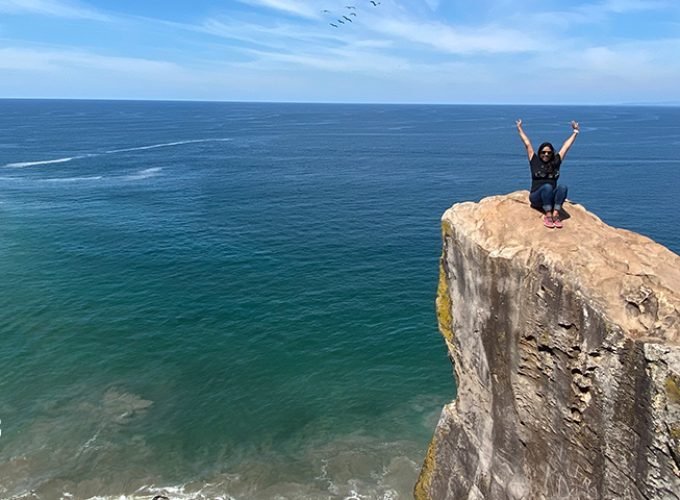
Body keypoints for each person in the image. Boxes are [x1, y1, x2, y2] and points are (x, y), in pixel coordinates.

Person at [516, 119, 580, 228]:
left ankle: (555, 214)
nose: (546, 154)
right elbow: (527, 143)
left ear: (552, 153)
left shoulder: (556, 162)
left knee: (563, 187)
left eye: (549, 153)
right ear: (539, 152)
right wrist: (519, 128)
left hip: (550, 198)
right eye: (543, 152)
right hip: (536, 198)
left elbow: (566, 147)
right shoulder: (534, 160)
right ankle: (548, 215)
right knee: (547, 187)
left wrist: (575, 132)